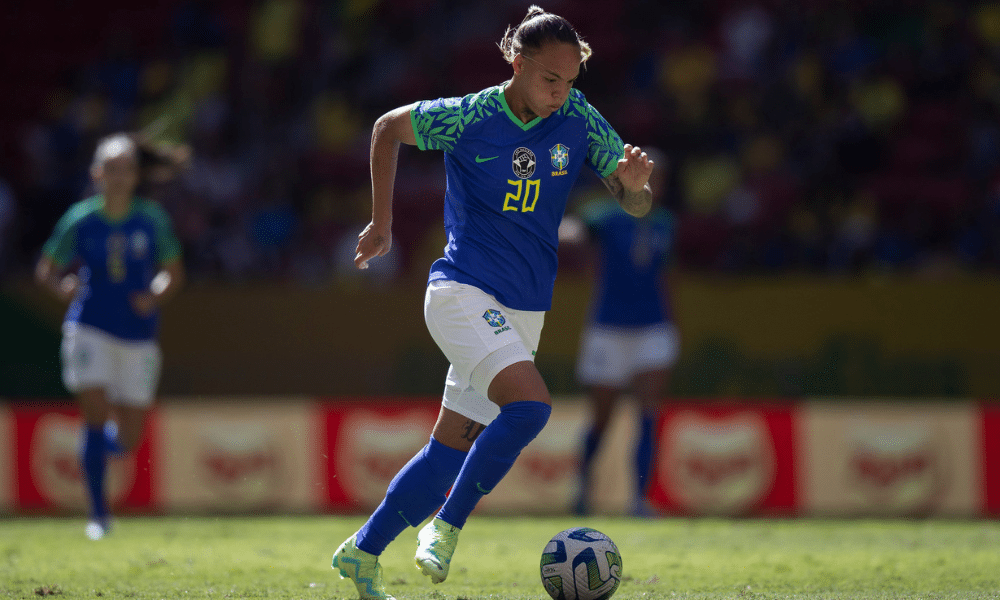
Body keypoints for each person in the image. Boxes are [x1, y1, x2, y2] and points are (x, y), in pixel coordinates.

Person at [331, 6, 654, 600]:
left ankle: (362, 553)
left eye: (569, 82)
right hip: (460, 291)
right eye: (549, 79)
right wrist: (382, 223)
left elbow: (634, 202)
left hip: (522, 311)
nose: (560, 93)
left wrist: (634, 189)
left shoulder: (579, 117)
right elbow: (386, 128)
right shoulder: (472, 116)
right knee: (531, 408)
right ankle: (446, 528)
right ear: (517, 62)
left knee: (444, 457)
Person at [34, 132, 186, 540]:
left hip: (137, 335)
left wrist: (153, 296)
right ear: (97, 173)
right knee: (96, 412)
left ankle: (97, 455)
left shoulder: (151, 219)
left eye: (127, 169)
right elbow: (47, 269)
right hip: (89, 327)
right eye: (112, 169)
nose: (119, 177)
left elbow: (172, 272)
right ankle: (98, 514)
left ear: (137, 176)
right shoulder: (80, 220)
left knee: (130, 437)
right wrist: (61, 288)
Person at [564, 149, 679, 517]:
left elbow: (662, 273)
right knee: (602, 417)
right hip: (608, 327)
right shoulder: (605, 216)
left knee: (648, 410)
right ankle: (583, 492)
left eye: (656, 178)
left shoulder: (665, 223)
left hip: (652, 326)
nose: (651, 183)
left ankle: (639, 499)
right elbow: (572, 230)